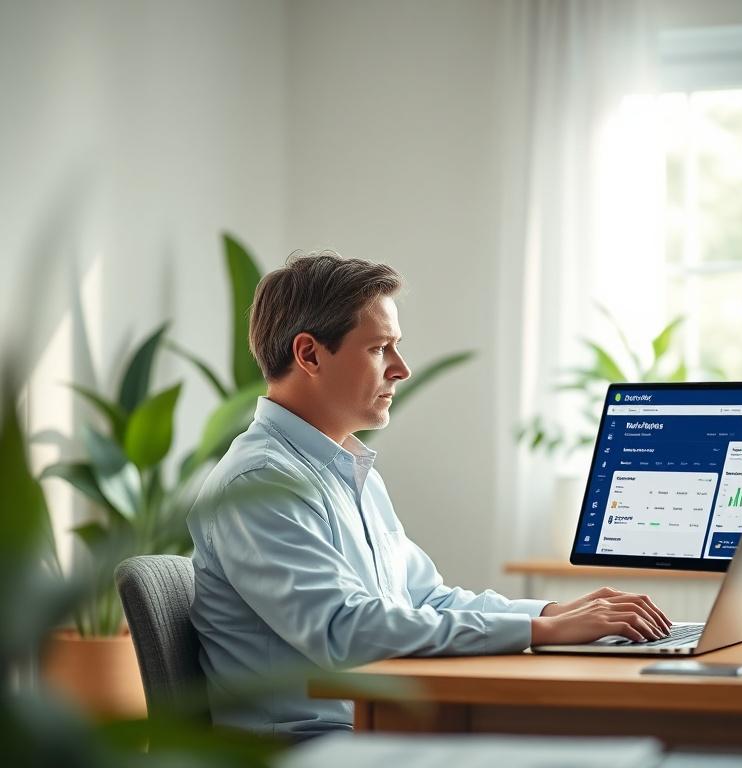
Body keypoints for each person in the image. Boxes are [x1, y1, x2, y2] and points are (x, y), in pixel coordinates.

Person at [187, 251, 671, 739]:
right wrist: (540, 633)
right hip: (311, 747)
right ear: (309, 354)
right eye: (380, 348)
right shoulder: (258, 482)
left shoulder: (348, 472)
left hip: (375, 730)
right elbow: (344, 630)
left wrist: (552, 613)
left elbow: (425, 598)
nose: (402, 369)